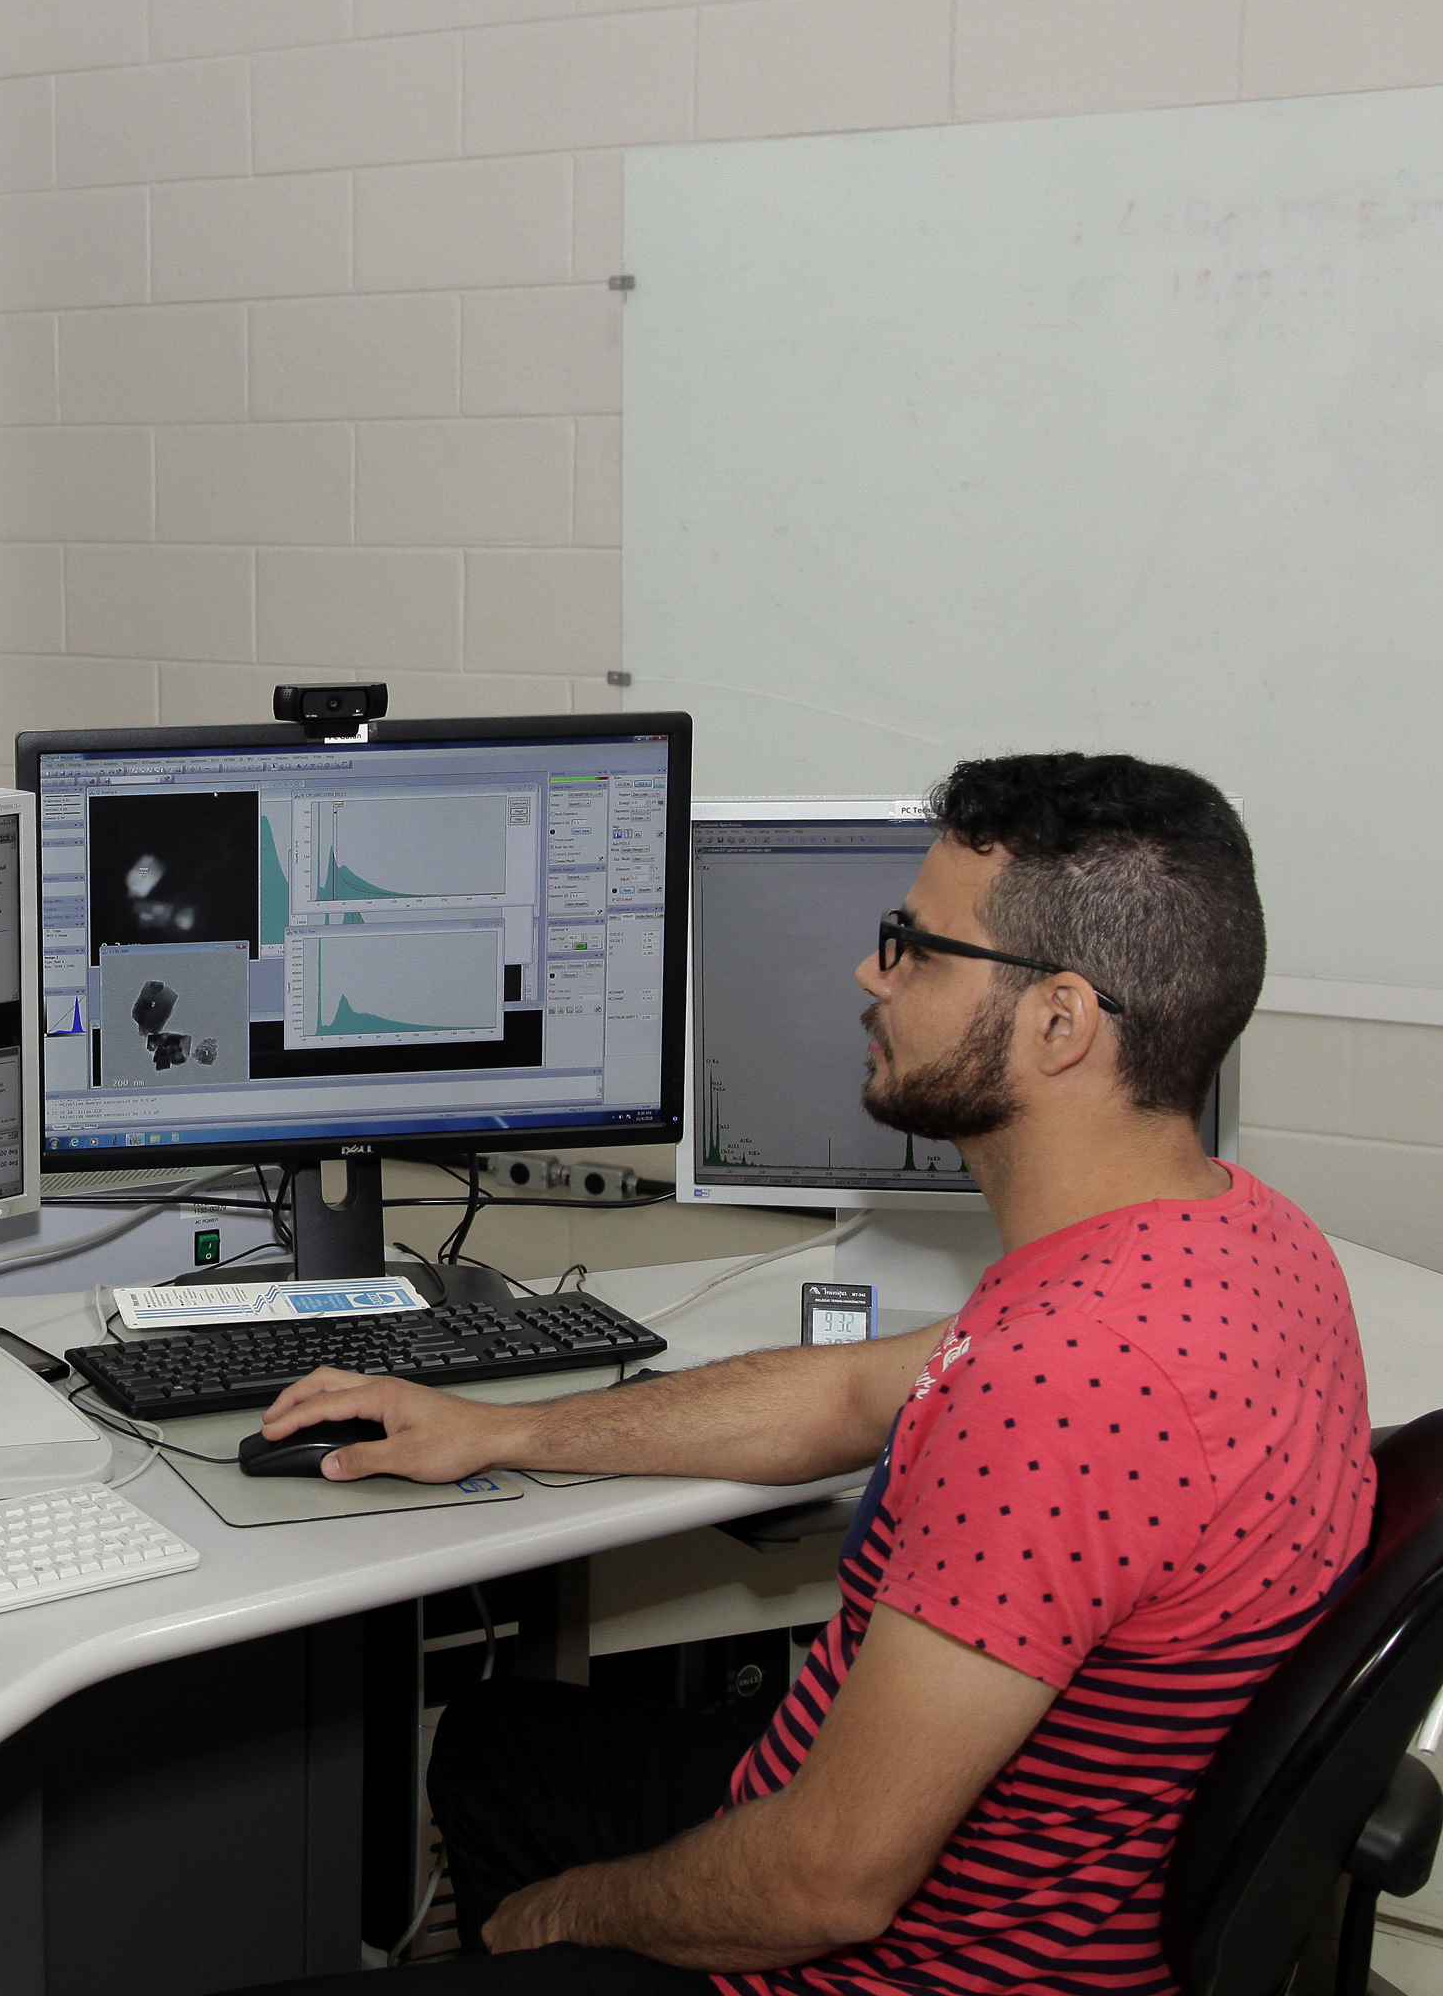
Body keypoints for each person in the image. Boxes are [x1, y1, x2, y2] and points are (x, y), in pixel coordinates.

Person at [240, 753, 1375, 1996]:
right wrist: (495, 1427)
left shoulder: (1070, 1383)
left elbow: (823, 1883)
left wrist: (562, 1918)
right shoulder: (1242, 1239)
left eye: (914, 947)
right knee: (505, 1743)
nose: (868, 974)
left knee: (534, 1907)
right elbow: (847, 1394)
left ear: (1061, 1020)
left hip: (912, 1966)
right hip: (1030, 1876)